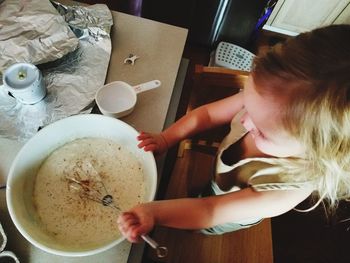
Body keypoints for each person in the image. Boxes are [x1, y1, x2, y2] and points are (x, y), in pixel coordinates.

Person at [117, 24, 350, 242]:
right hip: (219, 177)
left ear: (321, 150)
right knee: (203, 192)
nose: (245, 121)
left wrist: (155, 214)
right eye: (247, 105)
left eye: (263, 132)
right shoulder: (269, 99)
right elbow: (207, 115)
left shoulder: (285, 192)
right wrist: (167, 138)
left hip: (223, 214)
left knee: (201, 222)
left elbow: (210, 210)